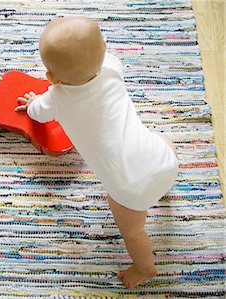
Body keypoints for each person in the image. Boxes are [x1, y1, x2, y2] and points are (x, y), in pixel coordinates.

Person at [15, 16, 179, 289]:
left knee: (133, 231)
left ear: (52, 78)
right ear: (104, 49)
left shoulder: (56, 98)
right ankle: (164, 186)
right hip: (164, 161)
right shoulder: (113, 67)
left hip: (130, 192)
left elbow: (37, 113)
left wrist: (34, 101)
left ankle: (144, 267)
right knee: (161, 141)